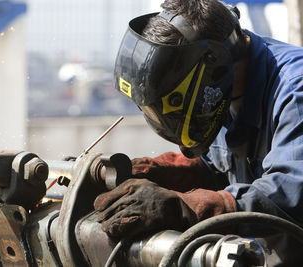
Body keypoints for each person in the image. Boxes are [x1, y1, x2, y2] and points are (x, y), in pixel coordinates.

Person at [93, 0, 303, 265]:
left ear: (211, 64)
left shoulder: (296, 90)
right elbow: (218, 168)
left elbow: (292, 192)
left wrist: (186, 206)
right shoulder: (221, 91)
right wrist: (160, 172)